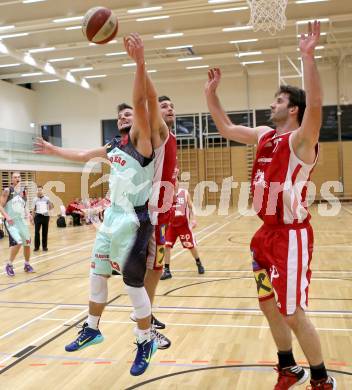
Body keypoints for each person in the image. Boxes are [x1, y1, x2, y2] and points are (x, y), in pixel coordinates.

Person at [205, 21, 336, 390]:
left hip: (291, 236)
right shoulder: (265, 136)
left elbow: (318, 104)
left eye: (279, 100)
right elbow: (227, 128)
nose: (271, 104)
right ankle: (287, 367)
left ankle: (321, 378)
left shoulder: (301, 141)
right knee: (268, 304)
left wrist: (307, 57)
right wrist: (210, 94)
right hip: (264, 236)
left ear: (294, 109)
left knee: (292, 312)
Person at [34, 33, 157, 376]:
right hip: (111, 218)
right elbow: (83, 154)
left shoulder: (144, 143)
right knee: (96, 273)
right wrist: (54, 150)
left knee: (132, 284)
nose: (123, 117)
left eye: (128, 114)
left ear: (138, 119)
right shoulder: (113, 148)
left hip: (135, 220)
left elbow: (141, 102)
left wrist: (139, 63)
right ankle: (92, 327)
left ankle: (145, 339)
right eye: (119, 115)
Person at [161, 176, 204, 280]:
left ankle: (198, 263)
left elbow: (191, 206)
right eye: (172, 181)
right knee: (167, 246)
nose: (174, 182)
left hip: (183, 225)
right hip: (172, 225)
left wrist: (193, 218)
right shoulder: (167, 194)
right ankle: (167, 271)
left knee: (190, 246)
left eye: (175, 180)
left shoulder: (184, 193)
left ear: (178, 182)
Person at [0, 172, 34, 276]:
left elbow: (24, 206)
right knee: (18, 242)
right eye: (15, 177)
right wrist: (7, 217)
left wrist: (29, 214)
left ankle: (27, 264)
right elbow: (0, 206)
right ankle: (9, 265)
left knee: (27, 243)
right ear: (12, 179)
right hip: (11, 222)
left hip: (22, 221)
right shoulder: (7, 191)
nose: (17, 179)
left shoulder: (23, 192)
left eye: (19, 177)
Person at [32, 185, 54, 251]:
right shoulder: (35, 199)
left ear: (43, 191)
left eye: (40, 190)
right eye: (38, 190)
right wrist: (33, 219)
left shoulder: (47, 198)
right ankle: (36, 247)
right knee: (36, 232)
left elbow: (51, 207)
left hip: (45, 216)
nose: (39, 191)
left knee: (45, 232)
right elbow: (33, 210)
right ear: (37, 191)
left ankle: (44, 247)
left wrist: (50, 207)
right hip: (38, 216)